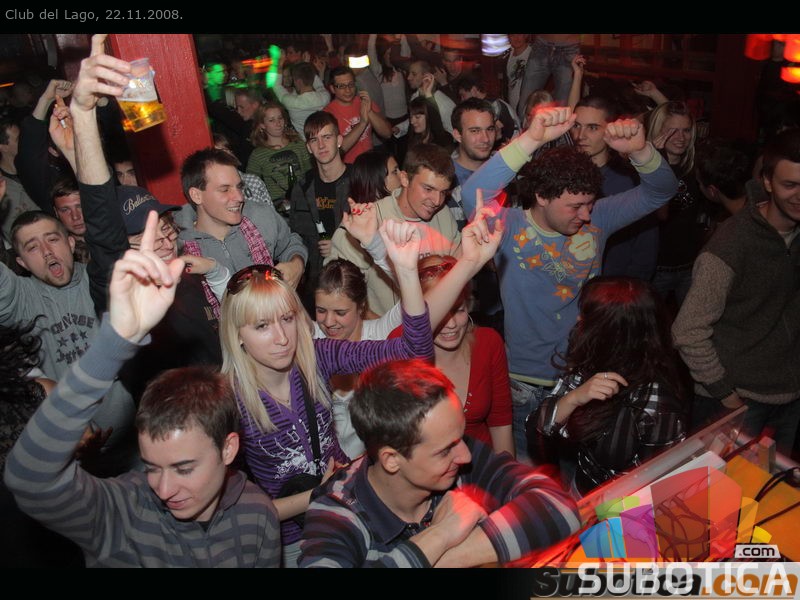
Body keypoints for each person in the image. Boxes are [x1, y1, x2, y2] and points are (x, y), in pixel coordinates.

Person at [4, 208, 281, 567]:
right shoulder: (119, 513)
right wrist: (117, 339)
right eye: (151, 467)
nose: (164, 489)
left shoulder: (256, 514)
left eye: (183, 468)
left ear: (228, 449)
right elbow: (29, 477)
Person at [460, 107, 678, 462]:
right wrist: (531, 139)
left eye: (589, 204)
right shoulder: (509, 226)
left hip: (583, 377)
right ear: (542, 196)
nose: (586, 215)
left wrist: (641, 151)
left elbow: (662, 191)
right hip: (523, 383)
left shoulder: (598, 218)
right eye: (575, 206)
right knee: (528, 475)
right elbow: (473, 195)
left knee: (578, 472)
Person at [219, 219, 435, 567]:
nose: (282, 338)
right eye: (262, 325)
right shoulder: (229, 401)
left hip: (347, 511)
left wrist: (408, 272)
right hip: (286, 542)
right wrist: (319, 493)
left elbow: (417, 354)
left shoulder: (316, 357)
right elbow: (229, 513)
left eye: (287, 319)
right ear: (238, 334)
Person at [298, 357, 580, 568]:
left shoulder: (459, 455)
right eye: (445, 451)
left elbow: (559, 508)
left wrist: (448, 558)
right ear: (391, 460)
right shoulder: (336, 511)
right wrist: (441, 534)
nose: (465, 456)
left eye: (460, 438)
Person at [316, 200, 505, 459]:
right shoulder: (310, 343)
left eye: (340, 312)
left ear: (361, 307)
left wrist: (374, 242)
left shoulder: (383, 334)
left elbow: (417, 303)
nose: (329, 321)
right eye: (321, 311)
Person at [672, 128, 800, 456]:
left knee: (771, 487)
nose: (799, 195)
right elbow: (687, 331)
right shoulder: (731, 244)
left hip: (790, 397)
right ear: (767, 182)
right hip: (737, 400)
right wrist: (726, 394)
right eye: (790, 184)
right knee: (716, 489)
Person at [528, 276, 688, 496]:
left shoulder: (657, 404)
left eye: (587, 316)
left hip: (621, 508)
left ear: (614, 332)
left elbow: (658, 484)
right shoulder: (592, 358)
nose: (578, 318)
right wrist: (573, 398)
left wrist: (601, 512)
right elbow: (537, 427)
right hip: (581, 490)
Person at [327, 142, 461, 315]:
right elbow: (338, 294)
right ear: (405, 179)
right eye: (428, 189)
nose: (437, 201)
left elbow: (457, 273)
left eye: (443, 192)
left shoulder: (443, 215)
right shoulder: (368, 220)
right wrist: (380, 328)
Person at [400, 254, 514, 455]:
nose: (451, 324)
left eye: (458, 310)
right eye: (440, 313)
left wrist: (505, 473)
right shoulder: (398, 346)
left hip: (481, 464)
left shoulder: (488, 343)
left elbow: (500, 424)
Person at [174, 147, 308, 309]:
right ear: (196, 195)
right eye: (225, 189)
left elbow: (290, 242)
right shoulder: (177, 243)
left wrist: (297, 263)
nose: (239, 197)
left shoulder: (260, 215)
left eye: (239, 187)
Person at [571, 95, 658, 281]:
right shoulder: (565, 175)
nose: (580, 136)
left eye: (592, 127)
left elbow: (645, 244)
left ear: (610, 130)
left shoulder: (628, 180)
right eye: (576, 125)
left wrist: (629, 289)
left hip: (612, 285)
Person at [289, 111, 351, 313]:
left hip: (354, 279)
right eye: (314, 140)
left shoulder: (358, 181)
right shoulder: (303, 186)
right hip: (316, 285)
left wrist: (340, 245)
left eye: (327, 137)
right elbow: (295, 236)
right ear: (308, 147)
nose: (321, 145)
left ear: (339, 140)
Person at [647, 101, 705, 311]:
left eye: (686, 131)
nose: (681, 138)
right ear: (658, 131)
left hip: (690, 265)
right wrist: (657, 157)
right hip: (656, 268)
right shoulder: (644, 170)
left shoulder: (695, 167)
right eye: (672, 131)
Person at [246, 101, 312, 206]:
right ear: (262, 125)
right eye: (271, 120)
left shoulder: (298, 144)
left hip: (304, 201)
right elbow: (250, 185)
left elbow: (310, 173)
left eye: (280, 118)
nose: (278, 123)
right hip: (278, 206)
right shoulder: (257, 155)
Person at [324, 66, 392, 164]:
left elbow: (387, 133)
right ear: (332, 89)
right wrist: (362, 124)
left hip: (369, 164)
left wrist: (369, 111)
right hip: (348, 167)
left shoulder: (363, 102)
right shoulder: (328, 113)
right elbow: (338, 150)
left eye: (351, 84)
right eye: (341, 86)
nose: (348, 90)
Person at [517, 34, 581, 121]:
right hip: (541, 44)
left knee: (564, 109)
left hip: (569, 47)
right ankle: (523, 128)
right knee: (524, 105)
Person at [272, 58, 330, 141]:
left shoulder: (292, 102)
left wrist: (280, 65)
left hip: (304, 144)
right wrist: (309, 69)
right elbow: (320, 86)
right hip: (324, 140)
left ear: (298, 82)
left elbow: (276, 86)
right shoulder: (325, 97)